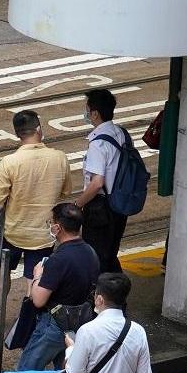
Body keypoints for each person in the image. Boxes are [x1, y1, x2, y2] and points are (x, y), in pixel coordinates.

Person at [19, 203, 99, 373]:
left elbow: (38, 299)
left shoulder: (58, 259)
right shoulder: (90, 253)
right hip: (77, 327)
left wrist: (37, 275)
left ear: (58, 227)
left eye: (51, 222)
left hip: (52, 326)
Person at [0, 109, 70, 283]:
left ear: (18, 134)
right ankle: (30, 307)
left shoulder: (10, 162)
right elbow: (66, 192)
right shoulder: (59, 157)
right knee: (35, 278)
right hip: (43, 234)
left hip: (14, 231)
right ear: (39, 129)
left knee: (2, 276)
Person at [70, 87, 130, 272]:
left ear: (95, 113)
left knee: (97, 259)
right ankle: (116, 294)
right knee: (110, 254)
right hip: (119, 204)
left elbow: (97, 183)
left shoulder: (98, 143)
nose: (85, 114)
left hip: (100, 209)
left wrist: (77, 204)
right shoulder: (121, 133)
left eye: (87, 110)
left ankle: (103, 297)